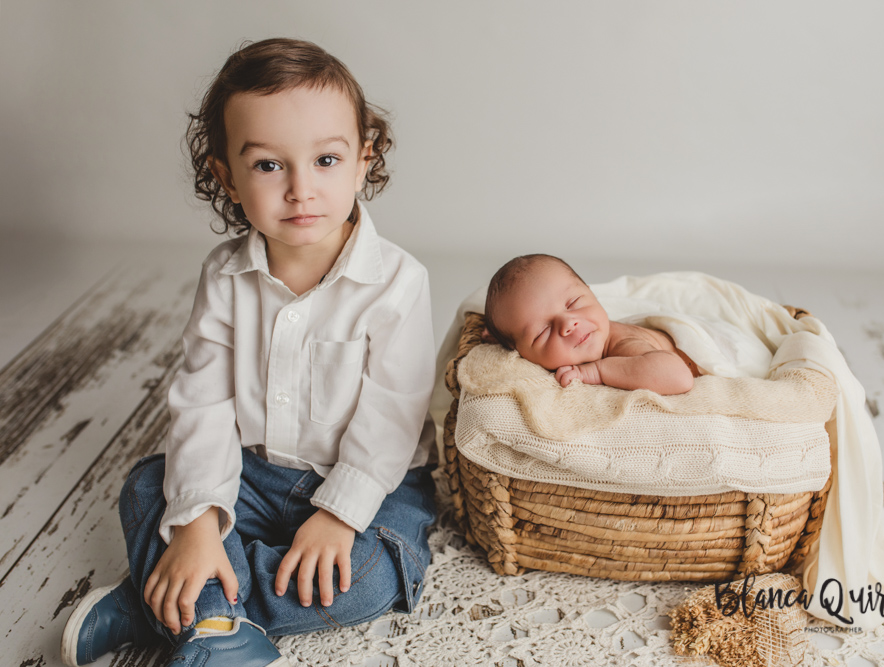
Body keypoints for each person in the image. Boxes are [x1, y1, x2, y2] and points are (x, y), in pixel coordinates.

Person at [61, 38, 437, 667]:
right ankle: (206, 607)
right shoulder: (224, 278)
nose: (300, 189)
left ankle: (173, 603)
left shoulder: (397, 282)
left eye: (325, 160)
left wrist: (338, 516)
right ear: (225, 177)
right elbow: (204, 403)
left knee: (373, 576)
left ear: (362, 160)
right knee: (148, 485)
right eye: (267, 165)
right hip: (254, 473)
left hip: (368, 480)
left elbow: (393, 421)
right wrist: (199, 523)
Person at [484, 254, 699, 395]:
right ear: (518, 350)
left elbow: (679, 378)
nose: (568, 324)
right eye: (542, 332)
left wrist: (596, 372)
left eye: (573, 303)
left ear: (590, 292)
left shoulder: (623, 344)